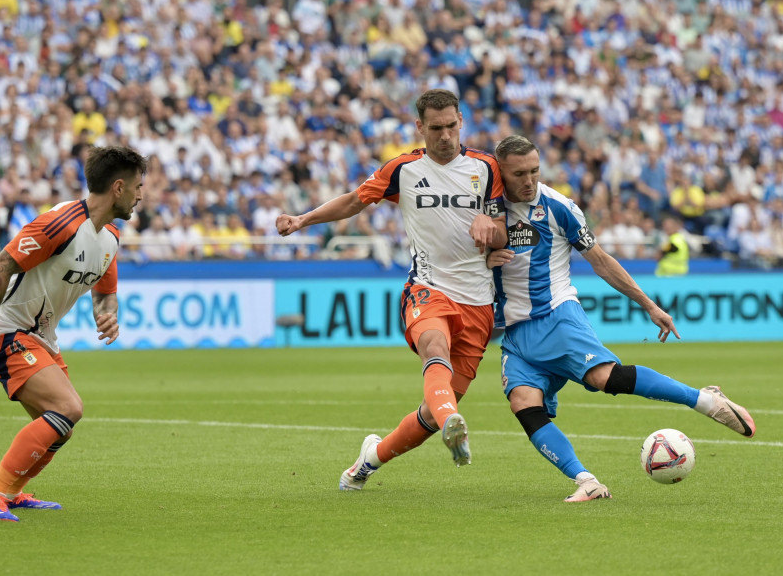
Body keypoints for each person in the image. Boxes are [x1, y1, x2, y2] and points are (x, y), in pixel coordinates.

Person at [485, 135, 756, 502]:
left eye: (535, 170)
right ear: (499, 171)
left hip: (556, 314)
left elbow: (601, 262)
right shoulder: (484, 207)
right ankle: (587, 481)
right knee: (524, 404)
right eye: (520, 174)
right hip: (515, 333)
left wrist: (649, 305)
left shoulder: (557, 207)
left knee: (602, 378)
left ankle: (703, 400)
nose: (530, 180)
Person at [276, 89, 511, 490]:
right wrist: (303, 220)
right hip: (427, 287)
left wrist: (495, 233)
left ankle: (368, 461)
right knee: (434, 347)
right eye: (435, 128)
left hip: (478, 302)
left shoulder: (487, 168)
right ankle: (453, 421)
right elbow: (354, 202)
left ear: (461, 122)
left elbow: (505, 231)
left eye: (451, 126)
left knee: (431, 414)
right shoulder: (402, 170)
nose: (445, 136)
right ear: (420, 127)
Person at [0, 146, 147, 522]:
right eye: (139, 187)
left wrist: (107, 315)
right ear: (119, 188)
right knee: (67, 409)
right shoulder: (59, 224)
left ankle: (10, 494)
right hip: (9, 330)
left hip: (41, 336)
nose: (141, 195)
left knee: (60, 428)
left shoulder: (110, 237)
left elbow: (106, 296)